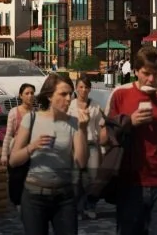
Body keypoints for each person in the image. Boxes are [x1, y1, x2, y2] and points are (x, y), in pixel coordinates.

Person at [105, 45, 157, 235]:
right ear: (136, 71)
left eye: (156, 74)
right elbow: (104, 137)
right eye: (146, 73)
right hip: (130, 183)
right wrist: (129, 121)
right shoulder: (120, 95)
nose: (151, 79)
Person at [9, 74, 89, 235]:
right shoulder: (31, 119)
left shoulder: (73, 122)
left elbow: (81, 162)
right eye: (63, 94)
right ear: (49, 96)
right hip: (34, 196)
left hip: (64, 197)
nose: (68, 99)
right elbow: (14, 160)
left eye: (70, 94)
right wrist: (32, 147)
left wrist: (83, 129)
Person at [73, 76, 106, 220]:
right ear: (76, 88)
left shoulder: (95, 106)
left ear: (90, 89)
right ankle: (78, 208)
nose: (83, 90)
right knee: (76, 178)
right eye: (81, 87)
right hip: (75, 145)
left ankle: (90, 205)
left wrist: (103, 148)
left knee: (93, 178)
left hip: (92, 145)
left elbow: (101, 127)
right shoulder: (70, 105)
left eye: (86, 87)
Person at [2, 83, 37, 170]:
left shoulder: (37, 113)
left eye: (32, 93)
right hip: (16, 152)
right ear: (20, 96)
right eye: (27, 93)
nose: (30, 96)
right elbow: (8, 134)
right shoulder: (13, 112)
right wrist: (4, 155)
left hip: (33, 154)